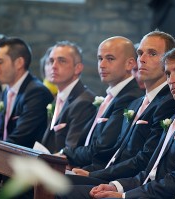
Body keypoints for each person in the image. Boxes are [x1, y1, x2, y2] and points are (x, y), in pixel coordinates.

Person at [57, 45, 175, 199]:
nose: (172, 80)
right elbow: (150, 172)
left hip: (171, 196)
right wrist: (115, 186)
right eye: (168, 73)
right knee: (54, 185)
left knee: (59, 191)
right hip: (147, 191)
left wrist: (125, 196)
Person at [70, 30, 175, 184]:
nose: (142, 59)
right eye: (140, 53)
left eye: (152, 53)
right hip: (107, 174)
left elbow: (144, 159)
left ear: (169, 61)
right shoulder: (136, 103)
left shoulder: (168, 102)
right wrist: (92, 171)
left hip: (128, 183)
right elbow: (117, 151)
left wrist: (95, 176)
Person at [59, 36, 143, 168]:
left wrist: (67, 154)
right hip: (83, 163)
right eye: (100, 59)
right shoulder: (113, 95)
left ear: (130, 64)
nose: (102, 65)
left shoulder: (130, 97)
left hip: (98, 169)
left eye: (110, 59)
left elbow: (103, 147)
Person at [0, 37, 54, 148]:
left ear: (19, 63)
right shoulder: (7, 90)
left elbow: (20, 140)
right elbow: (0, 133)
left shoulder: (36, 93)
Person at [41, 41, 97, 153]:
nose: (53, 66)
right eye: (51, 61)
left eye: (61, 61)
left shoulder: (83, 102)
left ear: (78, 68)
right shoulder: (59, 97)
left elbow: (71, 150)